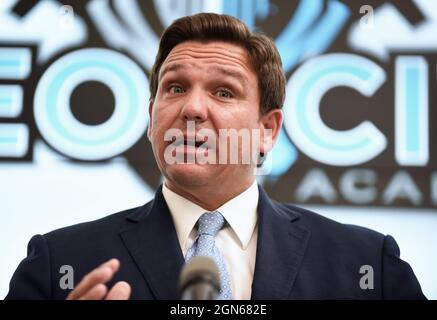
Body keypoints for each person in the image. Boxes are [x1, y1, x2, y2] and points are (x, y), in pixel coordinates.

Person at [5, 13, 426, 300]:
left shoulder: (366, 266)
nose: (191, 108)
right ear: (152, 119)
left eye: (224, 92)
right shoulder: (59, 264)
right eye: (174, 88)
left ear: (267, 130)